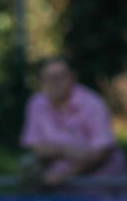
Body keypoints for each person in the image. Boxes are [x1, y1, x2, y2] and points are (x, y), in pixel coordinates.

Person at [20, 57, 126, 190]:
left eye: (60, 76)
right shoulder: (36, 103)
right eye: (48, 77)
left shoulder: (93, 104)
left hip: (101, 183)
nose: (54, 82)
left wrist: (64, 174)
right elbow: (35, 146)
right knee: (27, 164)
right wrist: (66, 150)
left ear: (72, 77)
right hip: (54, 180)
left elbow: (101, 153)